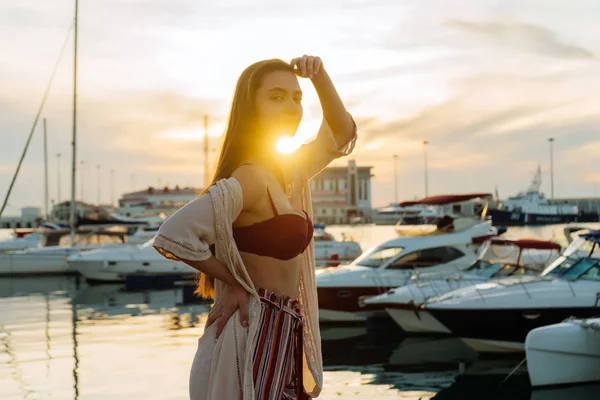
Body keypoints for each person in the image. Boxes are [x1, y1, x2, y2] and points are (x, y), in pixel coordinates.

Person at [152, 55, 357, 400]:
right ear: (252, 108)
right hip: (253, 332)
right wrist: (233, 281)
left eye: (296, 98)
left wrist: (319, 77)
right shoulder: (250, 177)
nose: (292, 106)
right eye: (276, 97)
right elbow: (173, 235)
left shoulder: (285, 172)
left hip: (283, 328)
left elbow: (342, 133)